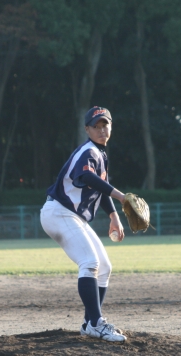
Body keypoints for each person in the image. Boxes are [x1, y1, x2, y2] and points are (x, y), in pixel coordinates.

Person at [40, 106, 127, 342]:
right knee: (89, 262)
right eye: (96, 126)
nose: (101, 130)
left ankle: (90, 323)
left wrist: (113, 215)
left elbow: (100, 187)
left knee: (104, 267)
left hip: (71, 216)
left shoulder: (100, 155)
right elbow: (88, 177)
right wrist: (121, 196)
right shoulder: (88, 152)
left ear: (111, 127)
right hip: (59, 213)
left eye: (105, 125)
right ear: (87, 129)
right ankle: (97, 324)